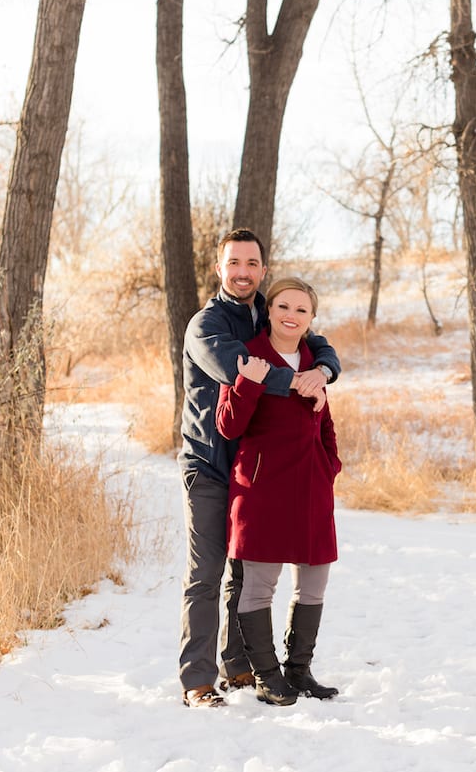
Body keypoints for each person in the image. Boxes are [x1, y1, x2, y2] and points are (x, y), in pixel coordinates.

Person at [178, 230, 340, 709]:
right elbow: (243, 367)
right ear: (219, 267)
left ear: (262, 270)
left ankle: (241, 666)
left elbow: (317, 341)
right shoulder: (205, 324)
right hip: (210, 462)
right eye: (234, 263)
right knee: (206, 574)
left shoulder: (268, 309)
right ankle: (197, 681)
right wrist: (305, 379)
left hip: (254, 471)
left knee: (243, 576)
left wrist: (325, 368)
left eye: (251, 263)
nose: (242, 271)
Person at [215, 277, 341, 707]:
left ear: (311, 319)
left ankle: (299, 672)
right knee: (259, 588)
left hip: (311, 489)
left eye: (301, 310)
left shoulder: (315, 362)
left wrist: (329, 469)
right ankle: (268, 676)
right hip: (262, 490)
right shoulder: (248, 355)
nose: (291, 315)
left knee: (314, 585)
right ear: (269, 310)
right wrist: (248, 382)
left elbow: (326, 425)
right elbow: (228, 425)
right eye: (284, 306)